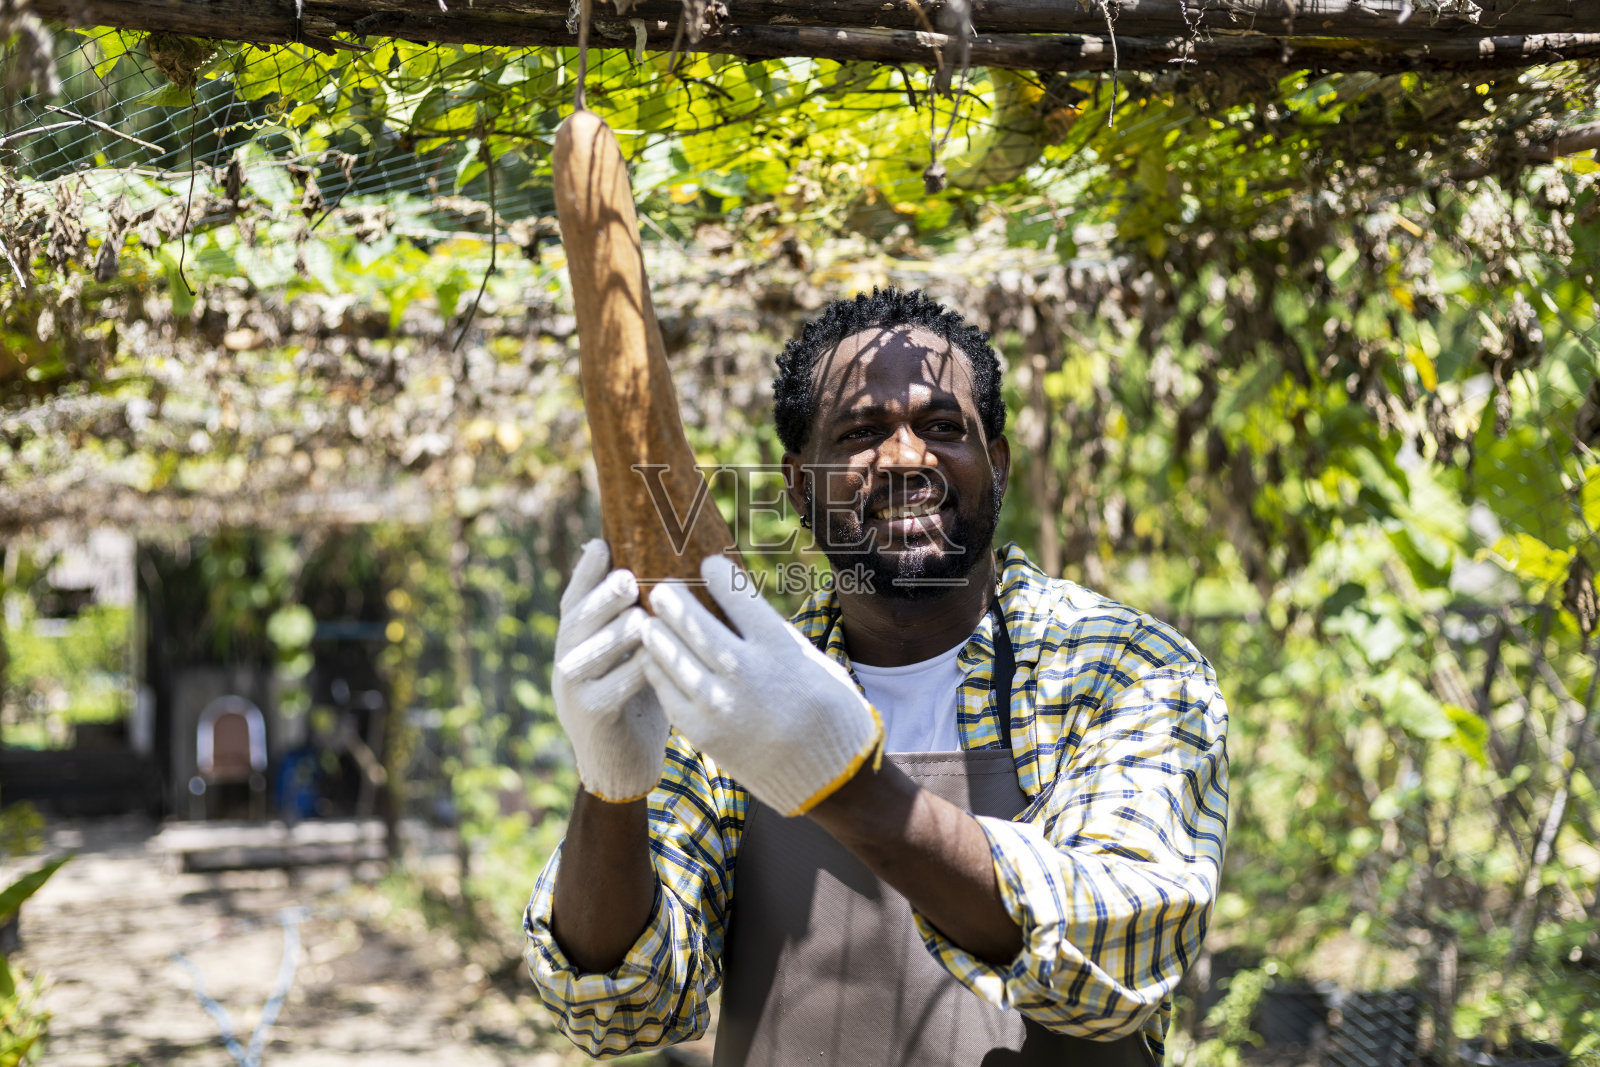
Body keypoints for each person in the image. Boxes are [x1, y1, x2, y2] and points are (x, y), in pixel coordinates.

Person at [523, 288, 1229, 1065]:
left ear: (994, 464)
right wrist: (611, 787)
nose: (904, 458)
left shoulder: (1121, 669)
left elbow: (1119, 955)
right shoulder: (737, 694)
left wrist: (845, 784)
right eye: (861, 432)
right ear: (798, 487)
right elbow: (620, 1010)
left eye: (941, 426)